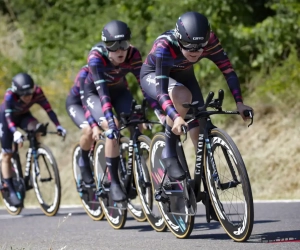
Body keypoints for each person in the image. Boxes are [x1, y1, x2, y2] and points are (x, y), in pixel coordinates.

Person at [140, 11, 253, 181]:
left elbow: (228, 70)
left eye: (200, 47)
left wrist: (239, 103)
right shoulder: (164, 46)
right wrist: (176, 117)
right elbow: (162, 92)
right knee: (182, 95)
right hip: (153, 76)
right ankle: (168, 152)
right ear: (179, 40)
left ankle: (207, 188)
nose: (195, 51)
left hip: (184, 75)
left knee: (200, 129)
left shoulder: (210, 41)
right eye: (189, 46)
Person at [82, 20, 163, 202]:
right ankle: (115, 182)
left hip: (119, 92)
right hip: (96, 94)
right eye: (113, 46)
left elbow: (144, 85)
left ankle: (136, 165)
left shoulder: (133, 54)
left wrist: (156, 109)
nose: (120, 50)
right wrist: (110, 123)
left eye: (124, 44)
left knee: (138, 123)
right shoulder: (96, 58)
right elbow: (103, 95)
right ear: (105, 46)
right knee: (114, 129)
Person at [0, 73, 67, 206]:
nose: (28, 97)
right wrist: (15, 133)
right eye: (24, 95)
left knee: (38, 128)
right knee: (7, 153)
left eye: (30, 93)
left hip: (24, 116)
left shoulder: (37, 92)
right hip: (6, 120)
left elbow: (49, 110)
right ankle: (10, 187)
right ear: (17, 93)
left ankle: (34, 153)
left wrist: (59, 126)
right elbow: (8, 118)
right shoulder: (10, 96)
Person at [65, 65, 97, 185]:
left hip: (94, 101)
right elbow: (85, 103)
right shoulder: (84, 74)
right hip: (77, 103)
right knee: (89, 130)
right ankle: (83, 161)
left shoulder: (113, 69)